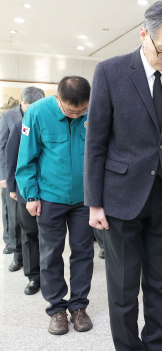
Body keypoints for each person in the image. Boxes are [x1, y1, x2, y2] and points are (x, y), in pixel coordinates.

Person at [85, 2, 162, 349]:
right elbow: (96, 142)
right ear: (144, 35)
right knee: (122, 286)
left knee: (160, 281)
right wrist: (94, 203)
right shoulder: (111, 71)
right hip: (120, 195)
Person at [16, 76, 94, 335]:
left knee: (84, 252)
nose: (77, 115)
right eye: (72, 111)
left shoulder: (94, 111)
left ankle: (79, 306)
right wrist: (31, 195)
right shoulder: (38, 112)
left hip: (85, 198)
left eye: (82, 110)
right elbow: (26, 157)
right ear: (58, 99)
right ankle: (57, 308)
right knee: (51, 254)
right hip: (49, 196)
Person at [3, 86, 45, 295]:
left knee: (48, 236)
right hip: (24, 189)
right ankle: (33, 276)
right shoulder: (20, 126)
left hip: (48, 190)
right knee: (29, 233)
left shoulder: (51, 124)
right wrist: (11, 187)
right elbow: (11, 158)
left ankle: (48, 274)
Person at [0, 97, 27, 259]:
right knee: (11, 212)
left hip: (32, 175)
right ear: (22, 101)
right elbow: (1, 146)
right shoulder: (8, 116)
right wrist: (3, 176)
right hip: (11, 174)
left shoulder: (42, 115)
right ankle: (12, 244)